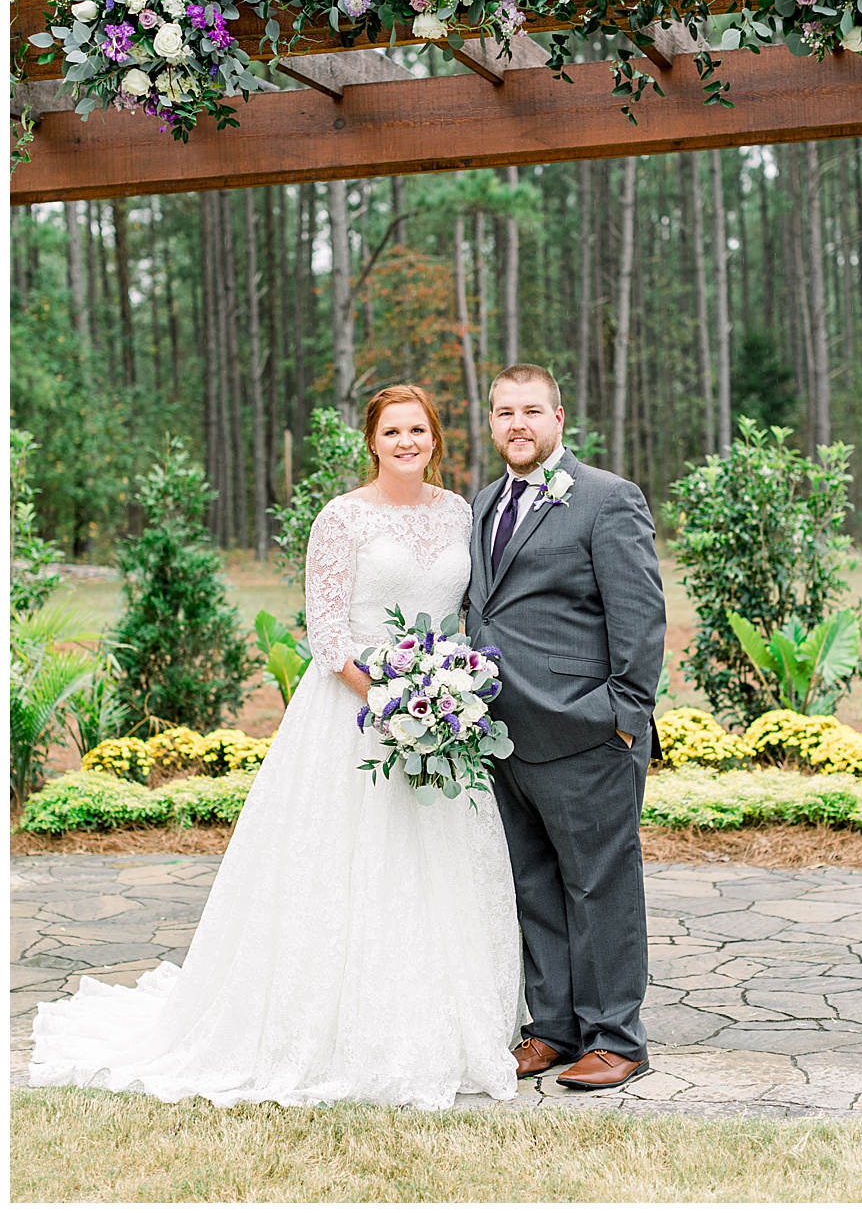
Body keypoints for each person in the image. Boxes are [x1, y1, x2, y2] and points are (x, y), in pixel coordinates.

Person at [31, 386, 521, 1109]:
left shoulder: (458, 513)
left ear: (436, 439)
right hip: (354, 714)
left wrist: (446, 695)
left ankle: (443, 1025)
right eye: (392, 431)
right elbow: (327, 632)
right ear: (372, 440)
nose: (406, 442)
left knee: (437, 871)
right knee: (344, 870)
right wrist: (389, 702)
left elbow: (469, 612)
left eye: (418, 430)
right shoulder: (342, 518)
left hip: (441, 716)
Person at [466, 365, 666, 1092]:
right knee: (535, 885)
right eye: (503, 412)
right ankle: (553, 1028)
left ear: (558, 417)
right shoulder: (484, 502)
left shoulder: (608, 498)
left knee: (599, 887)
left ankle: (616, 1038)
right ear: (491, 422)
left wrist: (621, 718)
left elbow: (640, 616)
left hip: (587, 731)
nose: (516, 424)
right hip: (503, 733)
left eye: (530, 411)